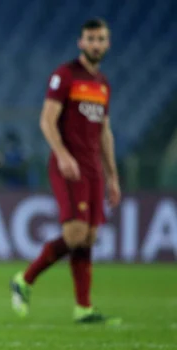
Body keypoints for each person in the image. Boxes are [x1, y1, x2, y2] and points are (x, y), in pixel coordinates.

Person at [10, 18, 121, 324]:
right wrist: (62, 155)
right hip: (68, 166)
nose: (96, 44)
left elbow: (105, 132)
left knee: (89, 237)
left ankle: (83, 308)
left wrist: (112, 175)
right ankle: (25, 279)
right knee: (75, 234)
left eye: (101, 39)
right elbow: (47, 120)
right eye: (91, 38)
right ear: (81, 42)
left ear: (107, 43)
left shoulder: (102, 84)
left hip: (93, 168)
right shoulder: (65, 75)